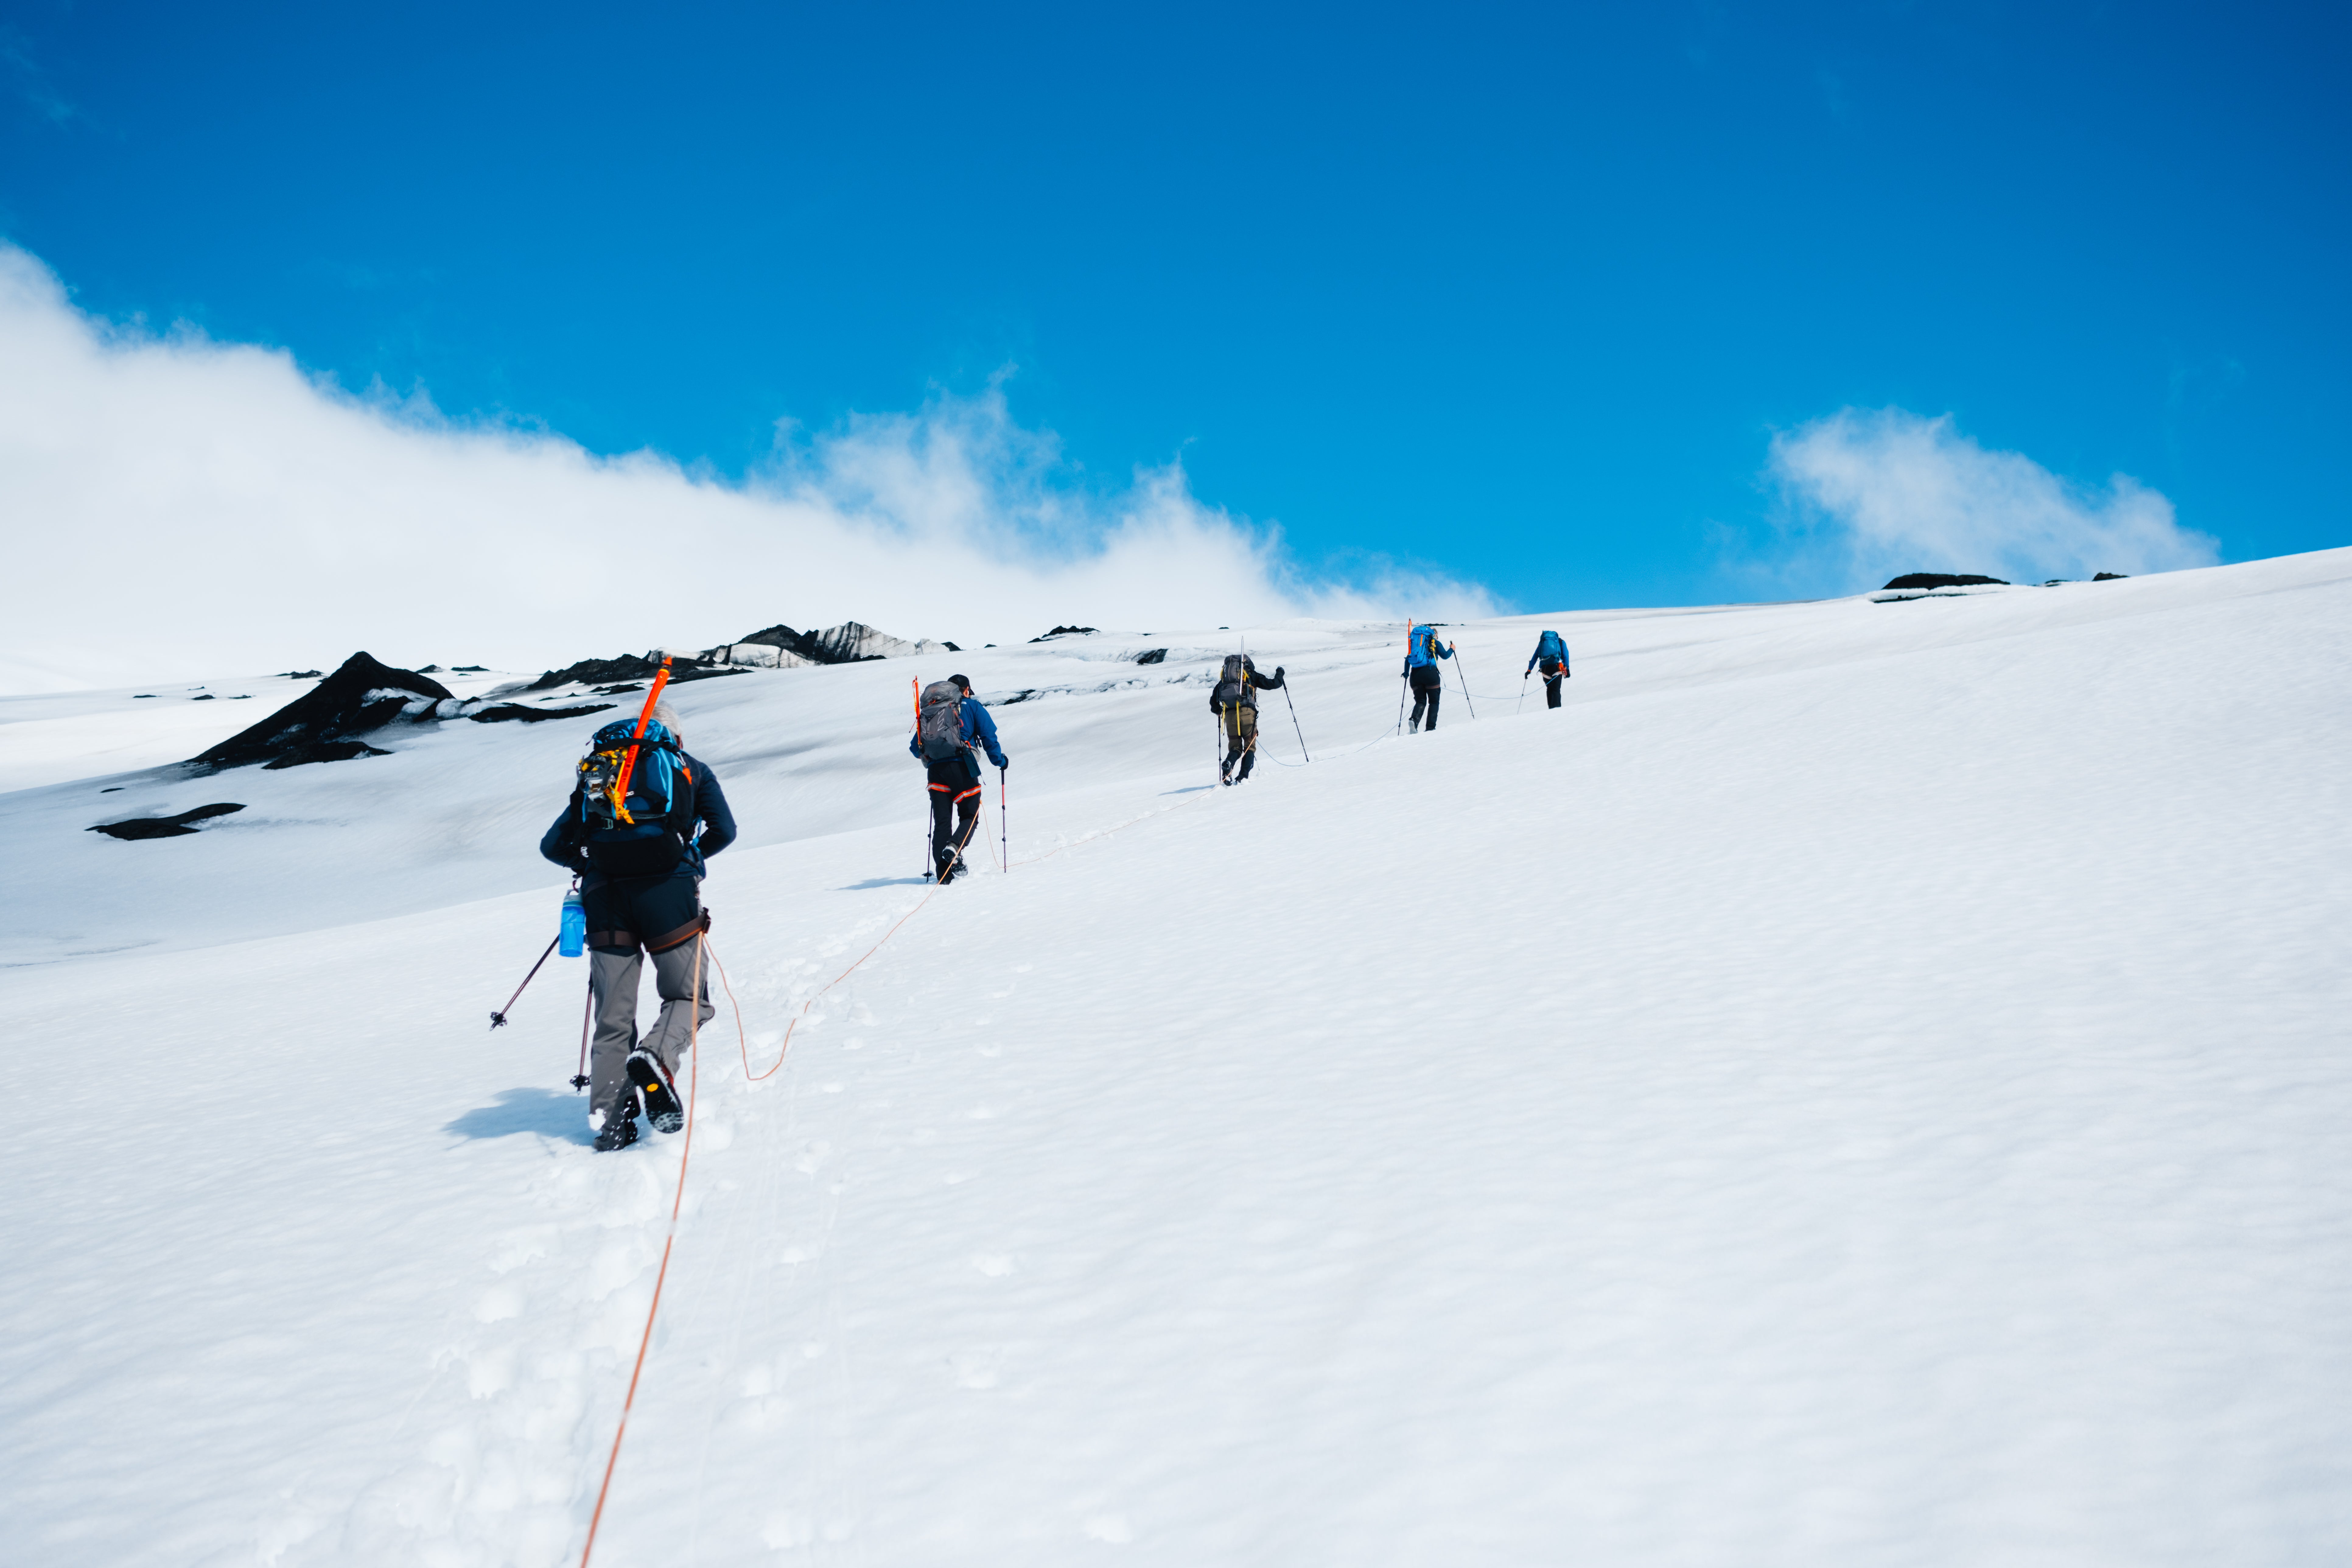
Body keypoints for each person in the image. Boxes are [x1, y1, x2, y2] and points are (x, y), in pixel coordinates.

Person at [540, 702, 737, 1151]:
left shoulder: (602, 770)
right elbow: (724, 830)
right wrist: (692, 859)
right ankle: (656, 1056)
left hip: (605, 899)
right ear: (676, 739)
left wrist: (588, 865)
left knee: (613, 1018)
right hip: (669, 894)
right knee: (689, 1000)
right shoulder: (691, 769)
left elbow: (553, 845)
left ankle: (612, 1123)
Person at [911, 674, 1008, 882]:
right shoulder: (972, 707)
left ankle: (943, 878)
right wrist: (1000, 761)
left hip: (936, 772)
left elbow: (915, 747)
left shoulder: (932, 711)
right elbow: (989, 737)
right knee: (969, 816)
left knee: (942, 823)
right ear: (966, 690)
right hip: (962, 767)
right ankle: (955, 848)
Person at [1211, 654, 1286, 784]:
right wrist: (1280, 673)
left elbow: (1214, 704)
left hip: (1230, 716)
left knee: (1235, 748)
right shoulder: (1251, 675)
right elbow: (1274, 684)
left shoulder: (1225, 681)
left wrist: (1219, 711)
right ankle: (1243, 777)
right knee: (1249, 747)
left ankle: (1229, 764)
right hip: (1248, 714)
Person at [1402, 623, 1453, 732]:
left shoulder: (1415, 645)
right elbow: (1445, 656)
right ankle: (1430, 728)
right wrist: (1452, 649)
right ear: (1434, 635)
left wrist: (1406, 674)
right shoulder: (1434, 643)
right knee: (1434, 702)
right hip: (1430, 674)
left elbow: (1408, 660)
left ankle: (1414, 721)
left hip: (1415, 675)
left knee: (1421, 701)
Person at [1525, 628, 1570, 708]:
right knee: (1556, 691)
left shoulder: (1542, 643)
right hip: (1556, 669)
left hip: (1545, 670)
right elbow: (1566, 656)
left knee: (1550, 690)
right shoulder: (1561, 642)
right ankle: (1557, 711)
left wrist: (1529, 670)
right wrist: (1567, 669)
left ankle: (1551, 710)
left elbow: (1535, 657)